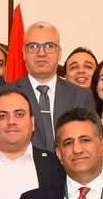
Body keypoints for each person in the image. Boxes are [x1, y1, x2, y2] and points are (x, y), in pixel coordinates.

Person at [13, 21, 93, 150]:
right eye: (33, 46)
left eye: (49, 46)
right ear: (23, 52)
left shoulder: (81, 96)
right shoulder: (6, 94)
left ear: (59, 52)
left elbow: (89, 143)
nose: (41, 53)